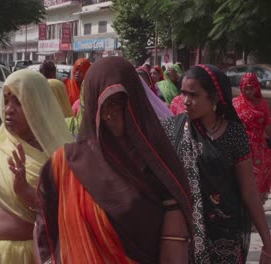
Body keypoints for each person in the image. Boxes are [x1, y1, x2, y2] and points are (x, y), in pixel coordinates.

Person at [36, 57, 192, 263]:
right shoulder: (64, 164)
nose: (109, 115)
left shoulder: (158, 165)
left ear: (135, 102)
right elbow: (45, 233)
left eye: (118, 103)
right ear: (91, 104)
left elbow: (174, 250)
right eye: (103, 105)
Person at [162, 65, 271, 263]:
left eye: (193, 95)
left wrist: (267, 242)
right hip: (185, 234)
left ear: (213, 97)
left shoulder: (234, 133)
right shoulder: (172, 129)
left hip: (225, 233)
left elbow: (249, 191)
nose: (185, 101)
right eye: (183, 93)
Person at [0, 69, 74, 263]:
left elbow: (72, 215)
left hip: (39, 256)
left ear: (39, 106)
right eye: (7, 100)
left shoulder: (62, 155)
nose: (9, 109)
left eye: (19, 102)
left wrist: (27, 193)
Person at [233, 72, 271, 202]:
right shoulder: (236, 103)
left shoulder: (263, 104)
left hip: (260, 147)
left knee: (258, 179)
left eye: (251, 87)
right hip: (242, 146)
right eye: (245, 87)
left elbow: (267, 124)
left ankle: (256, 209)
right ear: (241, 87)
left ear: (257, 87)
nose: (248, 91)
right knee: (243, 178)